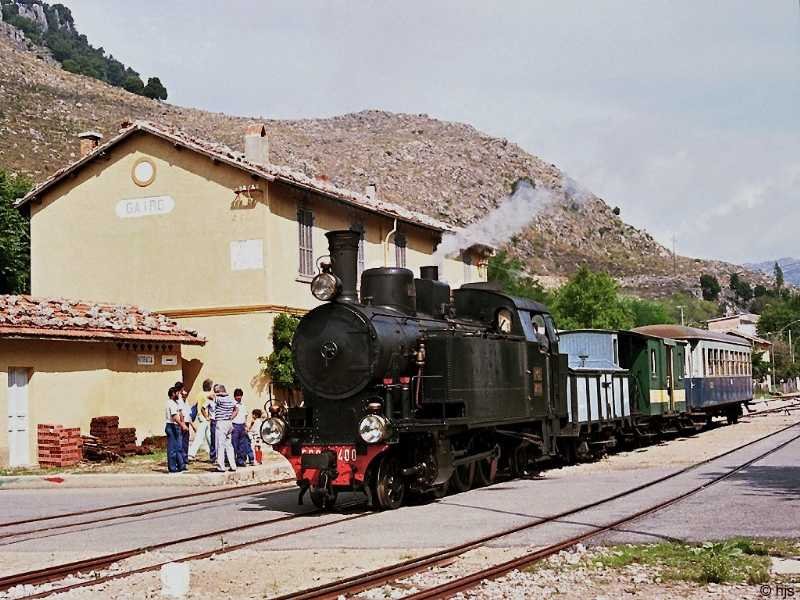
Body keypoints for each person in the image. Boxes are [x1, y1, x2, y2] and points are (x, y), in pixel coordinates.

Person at [213, 384, 238, 472]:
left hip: (221, 423)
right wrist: (231, 417)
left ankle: (221, 466)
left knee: (220, 445)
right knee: (229, 445)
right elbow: (236, 409)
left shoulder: (219, 399)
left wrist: (218, 395)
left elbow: (209, 396)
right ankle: (233, 465)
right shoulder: (231, 399)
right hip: (229, 422)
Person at [188, 379, 214, 461]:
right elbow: (206, 406)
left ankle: (213, 454)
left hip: (200, 416)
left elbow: (197, 405)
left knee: (209, 437)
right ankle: (191, 454)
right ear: (209, 386)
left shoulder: (199, 394)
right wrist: (207, 416)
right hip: (205, 417)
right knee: (199, 437)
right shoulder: (208, 394)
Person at [165, 386, 187, 473]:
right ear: (173, 394)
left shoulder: (176, 403)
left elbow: (180, 413)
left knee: (179, 447)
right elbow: (174, 417)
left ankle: (181, 465)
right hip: (172, 426)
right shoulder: (170, 403)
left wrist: (183, 422)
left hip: (176, 426)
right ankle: (172, 467)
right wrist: (182, 425)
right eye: (177, 393)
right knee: (172, 449)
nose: (179, 394)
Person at [174, 382, 195, 466]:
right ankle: (181, 458)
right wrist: (183, 424)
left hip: (185, 421)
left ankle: (184, 457)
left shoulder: (184, 400)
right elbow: (180, 412)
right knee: (181, 441)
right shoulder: (178, 400)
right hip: (181, 422)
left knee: (185, 441)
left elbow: (188, 412)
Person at [231, 388, 253, 466]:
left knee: (242, 445)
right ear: (234, 396)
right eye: (237, 396)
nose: (239, 397)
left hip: (242, 425)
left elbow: (245, 416)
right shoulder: (232, 404)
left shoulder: (243, 405)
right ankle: (232, 461)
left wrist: (246, 426)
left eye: (240, 396)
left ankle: (240, 461)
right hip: (235, 425)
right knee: (234, 444)